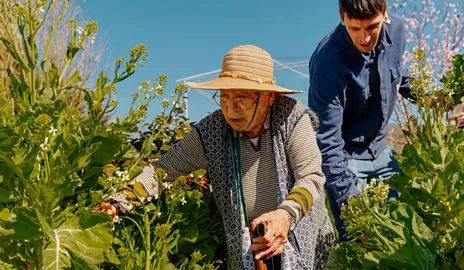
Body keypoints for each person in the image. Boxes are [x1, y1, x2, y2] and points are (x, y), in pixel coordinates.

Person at [96, 45, 335, 269]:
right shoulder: (212, 131)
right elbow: (163, 170)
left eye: (242, 98)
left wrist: (285, 216)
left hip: (303, 238)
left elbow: (311, 177)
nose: (231, 109)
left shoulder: (292, 119)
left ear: (268, 98)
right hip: (250, 246)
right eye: (224, 97)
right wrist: (115, 203)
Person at [308, 0, 414, 241]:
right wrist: (349, 199)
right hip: (346, 157)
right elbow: (326, 141)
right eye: (355, 28)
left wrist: (429, 96)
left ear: (384, 15)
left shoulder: (397, 30)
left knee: (401, 235)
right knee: (360, 241)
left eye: (372, 27)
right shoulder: (328, 61)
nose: (364, 38)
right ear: (342, 17)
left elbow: (400, 74)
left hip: (381, 148)